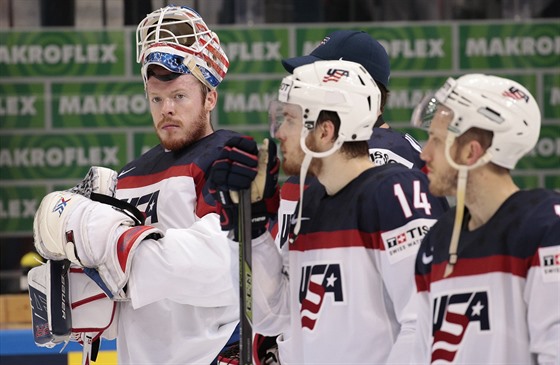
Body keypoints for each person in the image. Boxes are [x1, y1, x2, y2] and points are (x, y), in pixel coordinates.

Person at [31, 5, 242, 364]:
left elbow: (223, 268)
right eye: (157, 99)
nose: (166, 110)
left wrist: (106, 238)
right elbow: (129, 299)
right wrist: (75, 279)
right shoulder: (127, 177)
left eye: (179, 96)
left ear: (210, 98)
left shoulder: (228, 156)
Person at [209, 59, 449, 364]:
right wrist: (250, 230)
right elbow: (275, 316)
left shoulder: (397, 194)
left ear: (325, 131)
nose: (280, 132)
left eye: (290, 120)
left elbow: (425, 324)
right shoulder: (309, 206)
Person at [411, 74, 560, 364]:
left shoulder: (546, 228)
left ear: (471, 152)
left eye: (436, 140)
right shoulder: (437, 240)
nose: (425, 154)